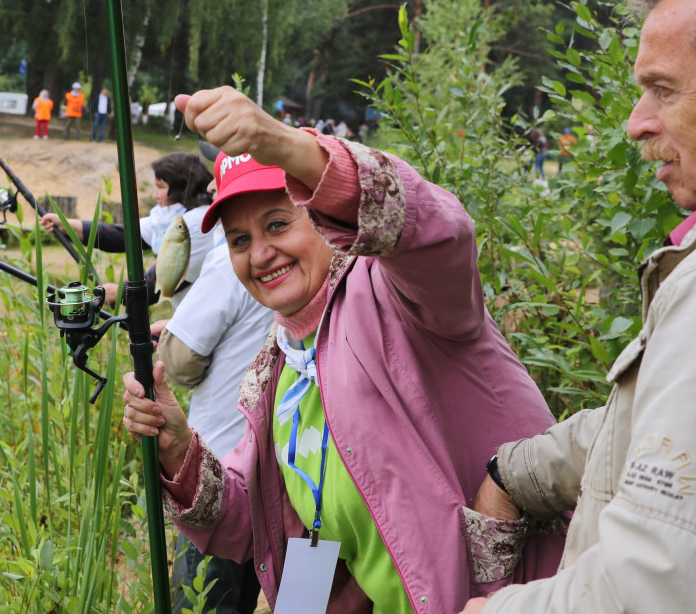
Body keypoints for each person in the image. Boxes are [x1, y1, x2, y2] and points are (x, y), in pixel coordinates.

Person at [122, 87, 565, 612]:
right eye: (239, 240)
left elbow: (442, 233)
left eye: (278, 223)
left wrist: (288, 147)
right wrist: (176, 445)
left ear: (322, 215)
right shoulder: (279, 366)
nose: (260, 254)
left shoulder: (401, 296)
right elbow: (252, 522)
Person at [463, 0, 696, 612]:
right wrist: (517, 468)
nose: (636, 124)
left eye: (662, 90)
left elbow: (659, 590)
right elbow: (676, 428)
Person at [159, 175, 274, 612]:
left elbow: (181, 361)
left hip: (219, 472)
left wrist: (174, 340)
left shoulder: (234, 257)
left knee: (204, 600)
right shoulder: (320, 258)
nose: (208, 183)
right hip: (287, 482)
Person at [40, 152, 215, 306]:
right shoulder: (176, 216)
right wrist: (68, 226)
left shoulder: (198, 222)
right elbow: (125, 236)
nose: (155, 195)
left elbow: (162, 278)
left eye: (160, 187)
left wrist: (119, 292)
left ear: (181, 188)